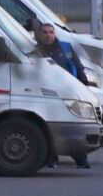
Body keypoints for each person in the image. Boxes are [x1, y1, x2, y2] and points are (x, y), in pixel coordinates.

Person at [33, 22, 93, 169]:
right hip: (46, 94)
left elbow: (78, 67)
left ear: (55, 34)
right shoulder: (36, 51)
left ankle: (81, 159)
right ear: (40, 34)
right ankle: (52, 158)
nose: (48, 35)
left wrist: (83, 84)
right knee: (49, 126)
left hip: (67, 93)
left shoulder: (65, 48)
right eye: (45, 32)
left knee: (73, 125)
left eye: (51, 32)